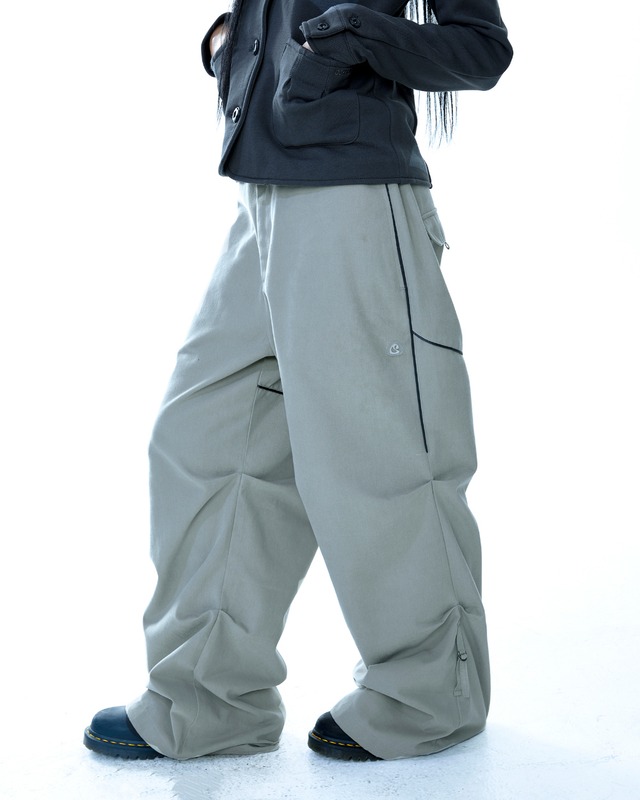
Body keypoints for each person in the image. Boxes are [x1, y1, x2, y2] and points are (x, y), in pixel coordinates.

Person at [84, 0, 512, 762]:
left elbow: (480, 49)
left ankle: (432, 690)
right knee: (205, 441)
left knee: (377, 458)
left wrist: (345, 38)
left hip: (355, 191)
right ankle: (209, 698)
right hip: (261, 190)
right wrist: (230, 44)